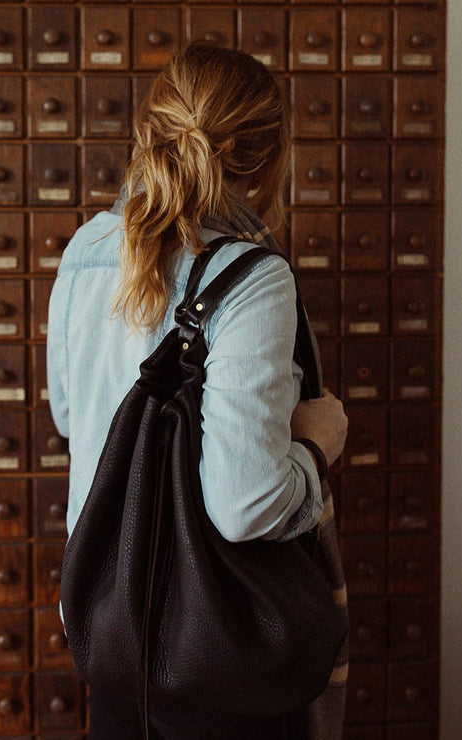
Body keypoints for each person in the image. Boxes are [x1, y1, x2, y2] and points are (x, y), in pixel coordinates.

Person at [47, 42, 348, 740]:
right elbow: (247, 507)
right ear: (271, 158)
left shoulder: (86, 250)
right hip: (220, 647)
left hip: (110, 627)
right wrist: (317, 444)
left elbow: (71, 416)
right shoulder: (255, 278)